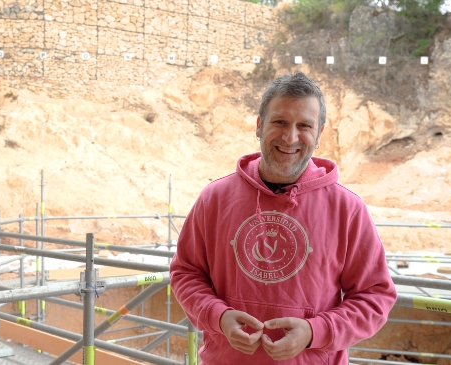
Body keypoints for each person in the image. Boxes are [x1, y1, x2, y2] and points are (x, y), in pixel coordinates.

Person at [170, 71, 396, 364]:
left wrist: (315, 332)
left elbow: (375, 297)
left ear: (320, 132)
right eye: (279, 122)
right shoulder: (214, 199)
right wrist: (219, 316)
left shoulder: (348, 210)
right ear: (259, 125)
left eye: (304, 125)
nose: (290, 137)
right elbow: (186, 273)